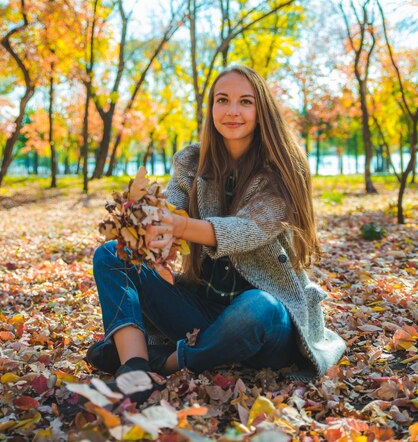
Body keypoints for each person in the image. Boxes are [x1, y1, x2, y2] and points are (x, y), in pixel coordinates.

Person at [86, 65, 346, 405]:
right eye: (222, 100)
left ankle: (163, 361)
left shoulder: (282, 170)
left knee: (258, 307)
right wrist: (153, 230)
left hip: (267, 323)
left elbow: (247, 230)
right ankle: (134, 365)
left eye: (245, 102)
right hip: (202, 308)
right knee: (111, 253)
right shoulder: (192, 162)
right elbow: (172, 206)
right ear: (211, 108)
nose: (232, 111)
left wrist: (178, 226)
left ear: (261, 110)